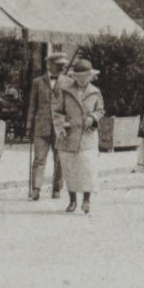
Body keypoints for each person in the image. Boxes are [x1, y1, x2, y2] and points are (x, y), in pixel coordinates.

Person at [53, 58, 104, 214]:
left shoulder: (95, 92)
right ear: (74, 77)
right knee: (71, 170)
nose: (82, 79)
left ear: (90, 76)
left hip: (88, 136)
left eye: (85, 76)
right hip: (70, 135)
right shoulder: (66, 91)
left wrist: (93, 118)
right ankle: (72, 200)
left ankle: (87, 200)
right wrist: (60, 126)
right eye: (79, 76)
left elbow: (101, 110)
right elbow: (57, 111)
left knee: (88, 169)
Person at [25, 52, 67, 200]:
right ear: (50, 65)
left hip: (60, 126)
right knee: (39, 159)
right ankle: (36, 189)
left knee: (59, 159)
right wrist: (29, 125)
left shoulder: (68, 82)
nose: (62, 67)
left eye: (63, 65)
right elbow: (32, 104)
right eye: (58, 65)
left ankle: (56, 188)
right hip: (41, 125)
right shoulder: (38, 82)